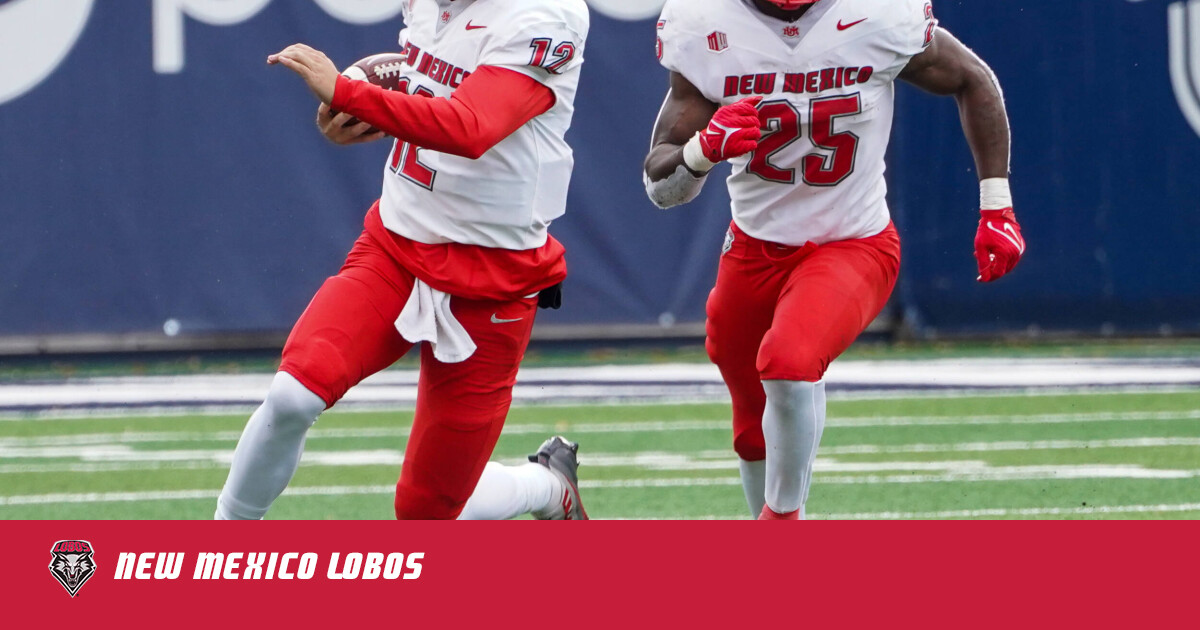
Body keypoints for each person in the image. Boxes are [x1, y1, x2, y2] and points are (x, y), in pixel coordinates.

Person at [644, 0, 1024, 519]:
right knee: (750, 419)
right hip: (754, 248)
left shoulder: (878, 13)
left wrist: (996, 204)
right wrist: (701, 152)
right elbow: (661, 188)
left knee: (789, 361)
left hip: (853, 241)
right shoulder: (705, 23)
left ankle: (783, 523)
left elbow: (972, 79)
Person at [216, 0, 590, 520]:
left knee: (427, 512)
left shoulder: (544, 15)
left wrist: (349, 93)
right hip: (397, 245)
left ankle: (547, 488)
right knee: (293, 394)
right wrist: (356, 115)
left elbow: (471, 126)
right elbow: (434, 85)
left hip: (494, 282)